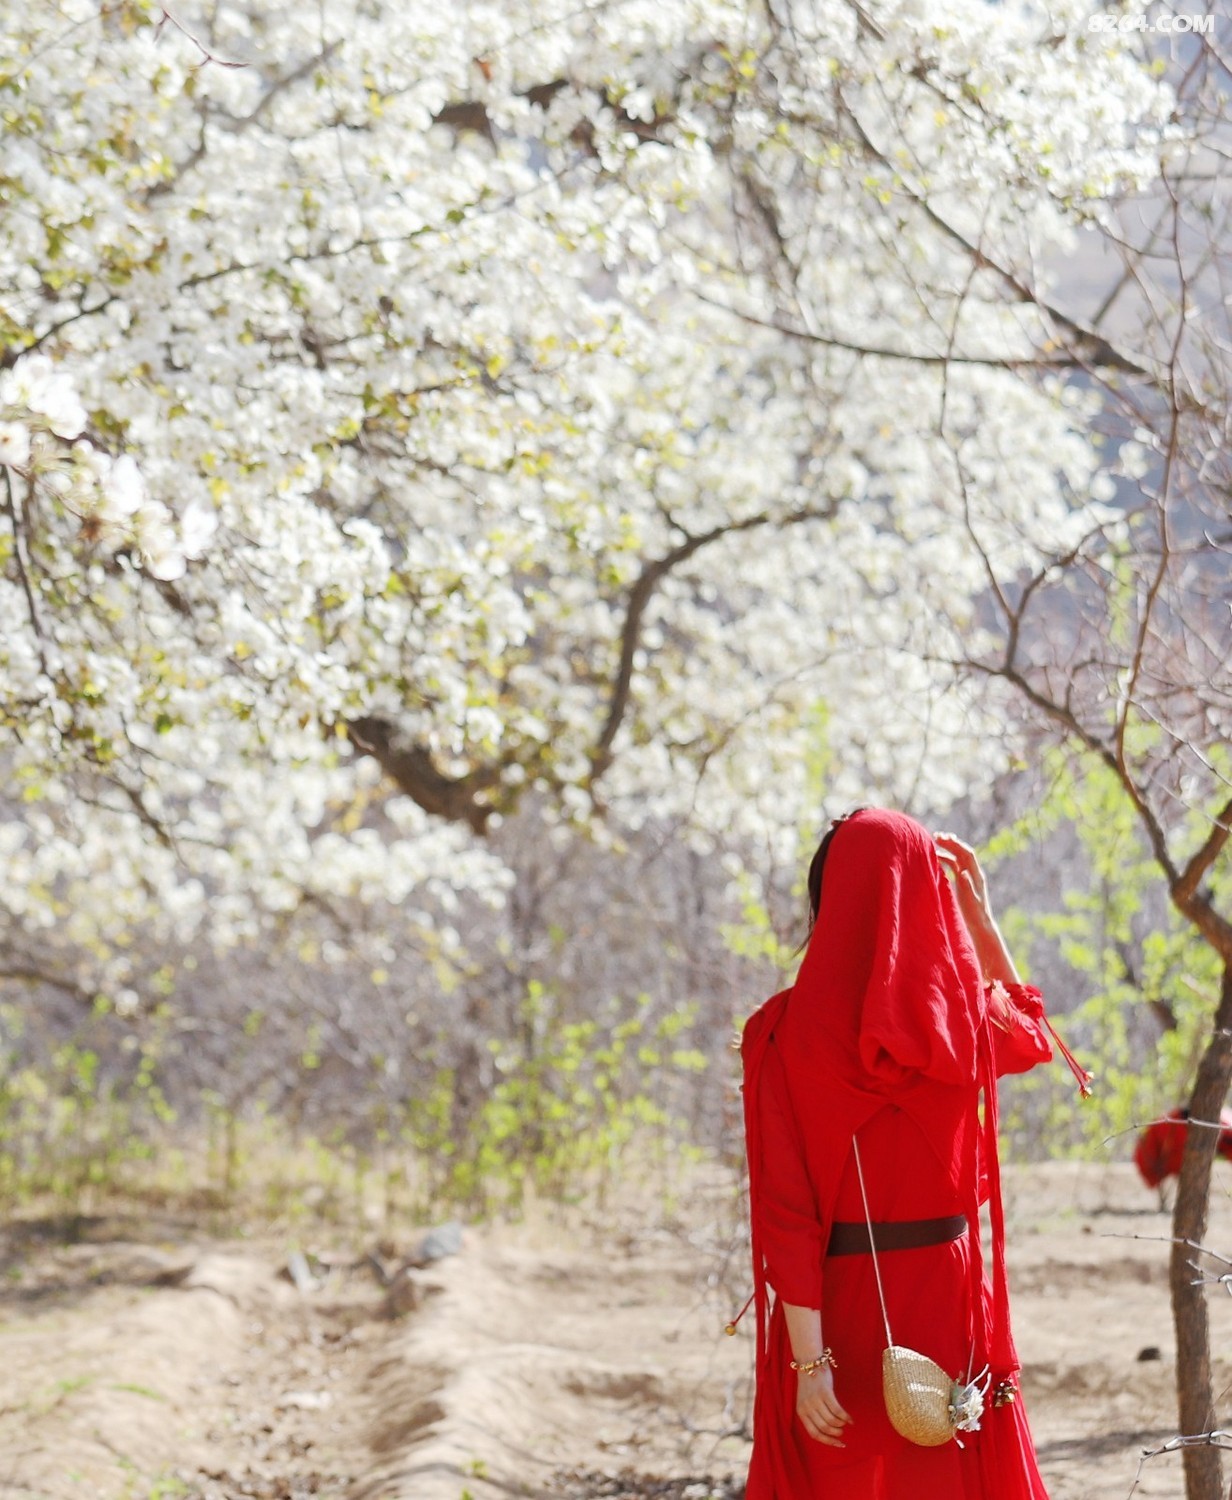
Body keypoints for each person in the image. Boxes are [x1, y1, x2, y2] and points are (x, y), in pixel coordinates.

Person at [739, 807, 1091, 1500]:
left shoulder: (782, 1035)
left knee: (839, 1479)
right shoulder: (964, 1018)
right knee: (945, 1477)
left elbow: (787, 1213)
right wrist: (982, 922)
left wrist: (812, 1365)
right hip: (946, 1297)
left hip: (835, 1311)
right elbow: (1034, 1038)